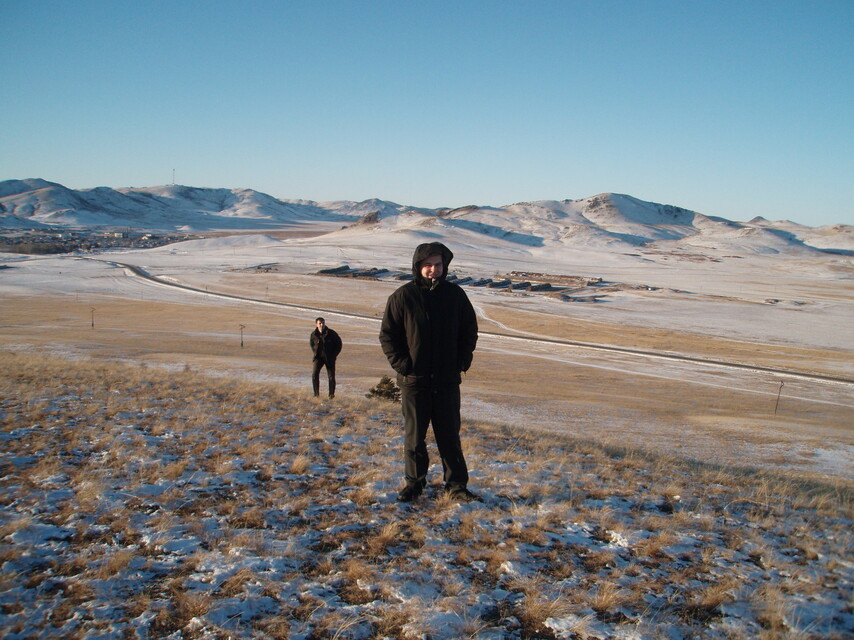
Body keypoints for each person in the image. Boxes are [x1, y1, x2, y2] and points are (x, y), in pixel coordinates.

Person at [379, 242, 479, 502]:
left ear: (444, 266)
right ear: (418, 266)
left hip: (446, 380)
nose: (433, 269)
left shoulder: (455, 295)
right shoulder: (403, 296)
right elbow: (388, 335)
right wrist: (403, 365)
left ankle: (456, 486)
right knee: (414, 438)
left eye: (438, 264)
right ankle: (414, 484)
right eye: (428, 265)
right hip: (414, 382)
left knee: (449, 436)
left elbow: (469, 330)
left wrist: (462, 360)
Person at [310, 317, 342, 398]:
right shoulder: (314, 334)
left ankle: (331, 395)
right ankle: (316, 394)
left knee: (331, 376)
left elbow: (339, 344)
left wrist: (333, 355)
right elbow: (312, 344)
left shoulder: (331, 333)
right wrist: (315, 353)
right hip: (318, 358)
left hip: (329, 358)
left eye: (323, 323)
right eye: (320, 323)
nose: (322, 325)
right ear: (316, 324)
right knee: (314, 374)